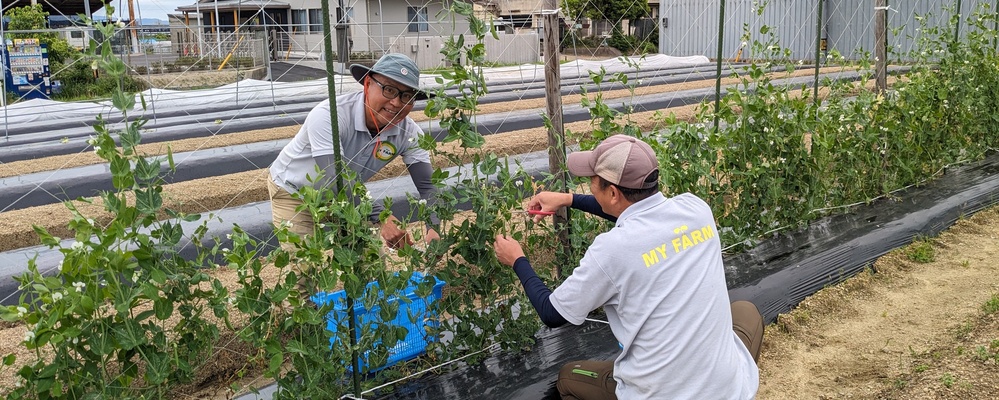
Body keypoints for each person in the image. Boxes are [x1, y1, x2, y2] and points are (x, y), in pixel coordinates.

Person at [493, 134, 763, 399]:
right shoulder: (696, 209)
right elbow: (637, 213)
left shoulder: (611, 250)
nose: (589, 186)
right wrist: (568, 199)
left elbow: (552, 313)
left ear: (611, 192)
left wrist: (517, 259)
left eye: (592, 182)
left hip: (657, 394)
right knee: (745, 312)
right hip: (728, 389)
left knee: (569, 377)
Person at [268, 53, 440, 254]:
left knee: (371, 263)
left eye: (407, 96)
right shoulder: (330, 115)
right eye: (389, 89)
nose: (396, 102)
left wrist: (434, 226)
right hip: (295, 192)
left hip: (346, 196)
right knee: (305, 269)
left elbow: (427, 185)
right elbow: (335, 175)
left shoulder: (409, 133)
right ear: (368, 83)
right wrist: (382, 217)